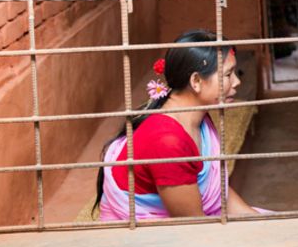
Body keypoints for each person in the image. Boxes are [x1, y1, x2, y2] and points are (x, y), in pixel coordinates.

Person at [95, 29, 262, 219]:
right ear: (196, 81)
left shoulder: (200, 118)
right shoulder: (167, 141)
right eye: (228, 75)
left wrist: (260, 222)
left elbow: (219, 193)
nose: (237, 82)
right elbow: (191, 225)